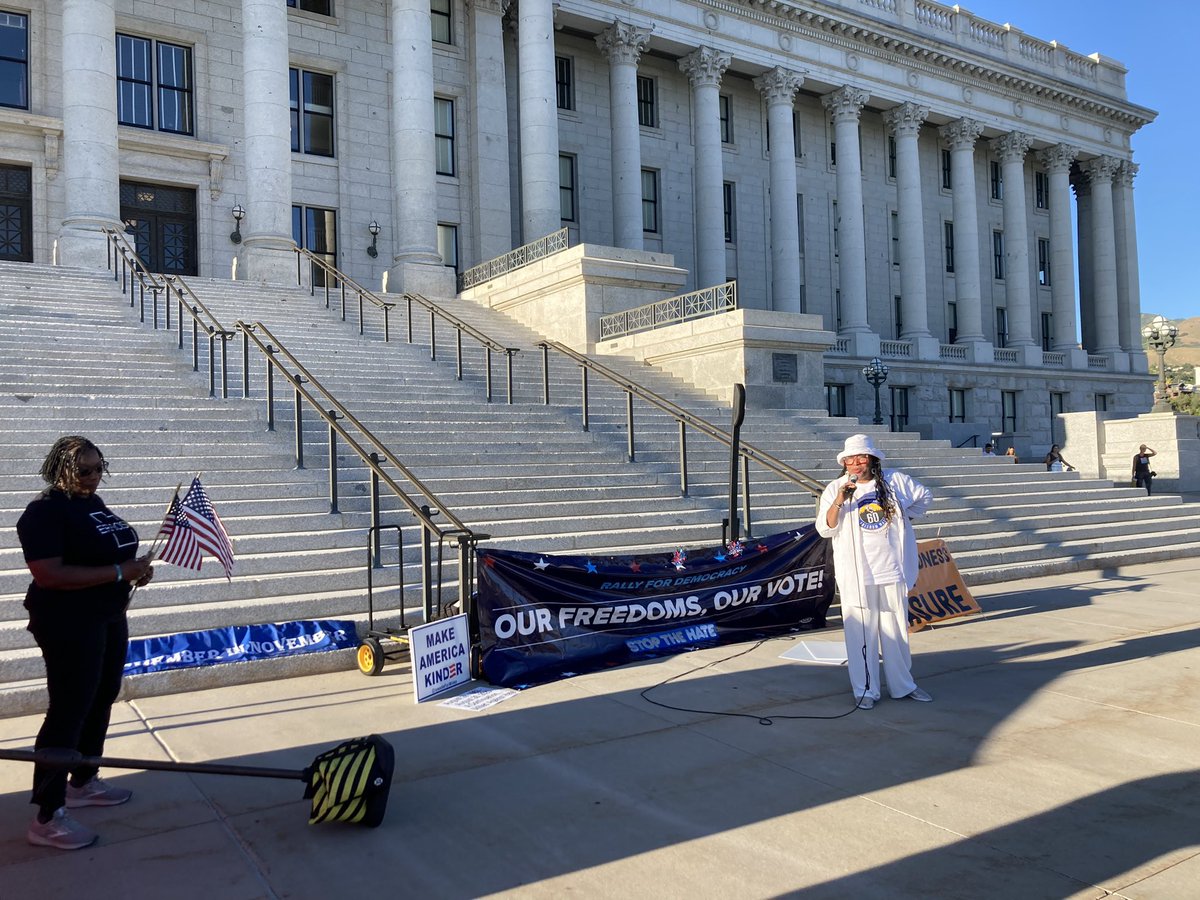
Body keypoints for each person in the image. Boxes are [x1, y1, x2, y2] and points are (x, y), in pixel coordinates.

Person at [16, 436, 154, 850]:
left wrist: (134, 572)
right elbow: (49, 574)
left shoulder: (91, 503)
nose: (93, 477)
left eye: (98, 468)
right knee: (69, 707)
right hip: (67, 622)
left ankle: (84, 779)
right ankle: (47, 815)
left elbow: (109, 556)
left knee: (102, 695)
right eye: (84, 470)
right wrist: (118, 572)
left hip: (107, 614)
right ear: (60, 468)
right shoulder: (43, 512)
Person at [815, 434, 934, 709]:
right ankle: (865, 690)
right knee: (860, 635)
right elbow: (825, 528)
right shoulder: (836, 488)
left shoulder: (894, 481)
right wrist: (841, 500)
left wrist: (904, 516)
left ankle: (903, 686)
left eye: (861, 457)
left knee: (896, 633)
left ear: (872, 459)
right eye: (850, 459)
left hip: (890, 569)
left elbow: (925, 496)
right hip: (856, 574)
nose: (856, 464)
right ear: (844, 462)